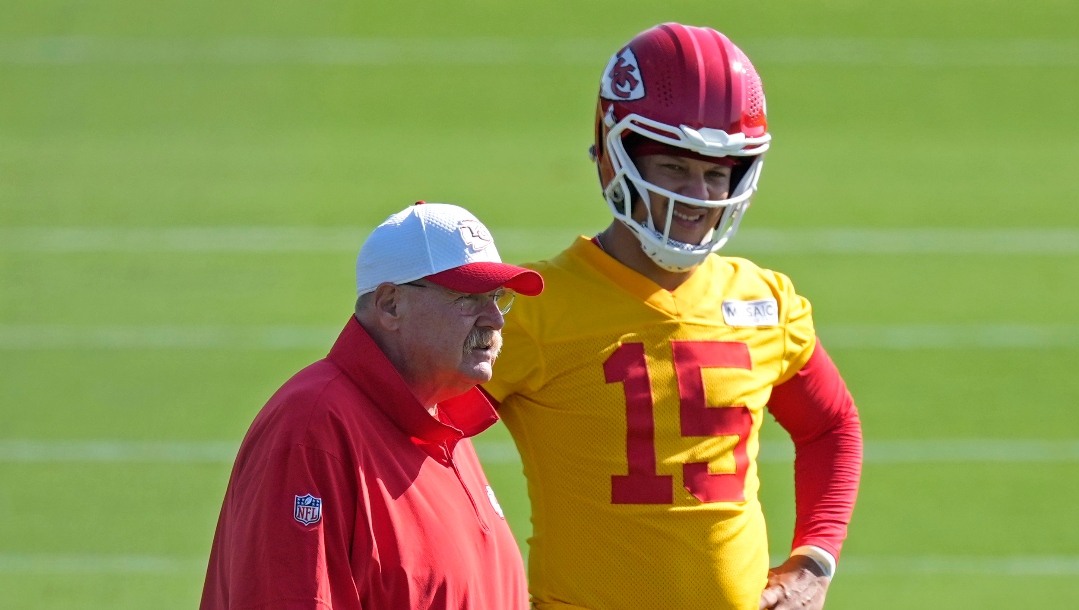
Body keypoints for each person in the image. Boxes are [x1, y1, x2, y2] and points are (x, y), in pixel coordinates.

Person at [483, 23, 863, 610]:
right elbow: (415, 440)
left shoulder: (766, 301)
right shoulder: (535, 305)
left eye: (717, 173)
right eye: (674, 168)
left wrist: (815, 560)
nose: (699, 196)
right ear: (616, 159)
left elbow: (831, 426)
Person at [200, 202, 543, 610]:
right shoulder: (312, 429)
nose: (495, 320)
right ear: (390, 305)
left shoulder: (442, 420)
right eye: (469, 298)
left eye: (496, 297)